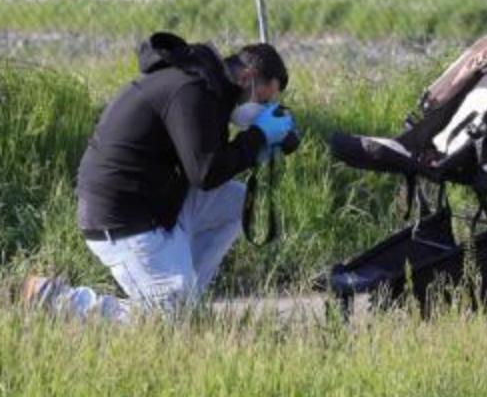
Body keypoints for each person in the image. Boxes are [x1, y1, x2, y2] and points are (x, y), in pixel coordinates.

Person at [20, 32, 295, 321]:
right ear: (248, 77)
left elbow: (210, 161)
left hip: (154, 203)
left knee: (242, 203)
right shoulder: (192, 91)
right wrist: (257, 137)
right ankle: (54, 298)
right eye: (265, 99)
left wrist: (265, 145)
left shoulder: (209, 88)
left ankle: (186, 298)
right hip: (121, 216)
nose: (263, 109)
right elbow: (205, 172)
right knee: (169, 320)